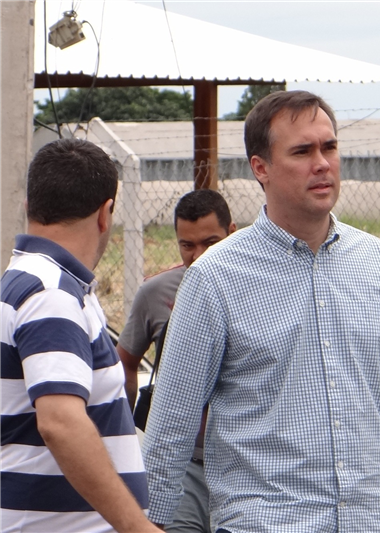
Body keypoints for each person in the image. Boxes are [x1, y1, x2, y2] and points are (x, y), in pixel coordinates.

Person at [142, 90, 380, 533]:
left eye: (330, 147)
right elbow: (171, 430)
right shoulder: (214, 279)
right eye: (302, 151)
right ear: (260, 167)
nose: (322, 163)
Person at [0, 139, 159, 533]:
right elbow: (61, 423)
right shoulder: (50, 294)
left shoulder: (24, 284)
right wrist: (138, 528)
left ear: (29, 206)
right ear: (105, 213)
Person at [118, 189, 235, 533]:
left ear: (232, 232)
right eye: (187, 245)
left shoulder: (259, 290)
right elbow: (125, 362)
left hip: (241, 463)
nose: (198, 256)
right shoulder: (156, 293)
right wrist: (122, 434)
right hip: (181, 466)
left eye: (210, 242)